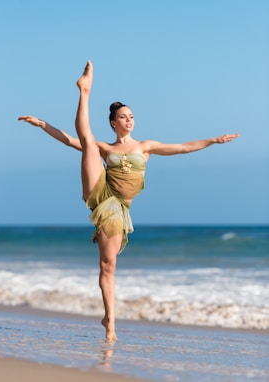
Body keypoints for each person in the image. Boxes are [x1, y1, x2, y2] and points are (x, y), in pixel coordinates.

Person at [18, 60, 239, 341]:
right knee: (87, 142)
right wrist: (41, 124)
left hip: (119, 209)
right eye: (123, 117)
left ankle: (108, 317)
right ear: (114, 122)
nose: (129, 120)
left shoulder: (145, 147)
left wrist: (213, 140)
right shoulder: (106, 147)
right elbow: (69, 140)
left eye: (131, 116)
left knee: (107, 265)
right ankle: (84, 91)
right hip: (101, 194)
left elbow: (183, 147)